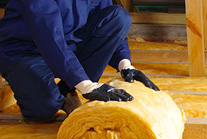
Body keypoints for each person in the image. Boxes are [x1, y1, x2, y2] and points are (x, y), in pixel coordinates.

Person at [0, 0, 159, 123]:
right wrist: (86, 85)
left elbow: (108, 19)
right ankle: (68, 88)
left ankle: (67, 89)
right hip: (25, 52)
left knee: (118, 17)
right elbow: (50, 38)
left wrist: (125, 64)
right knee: (43, 109)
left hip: (68, 45)